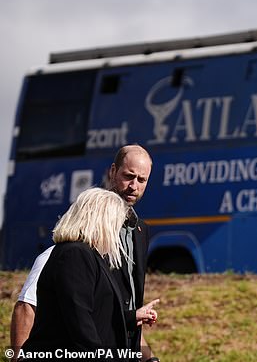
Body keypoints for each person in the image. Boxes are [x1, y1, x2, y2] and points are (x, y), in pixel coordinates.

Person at [10, 145, 160, 362]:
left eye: (142, 179)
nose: (134, 186)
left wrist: (132, 322)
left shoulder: (133, 235)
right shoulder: (72, 254)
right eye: (129, 176)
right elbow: (79, 325)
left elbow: (96, 312)